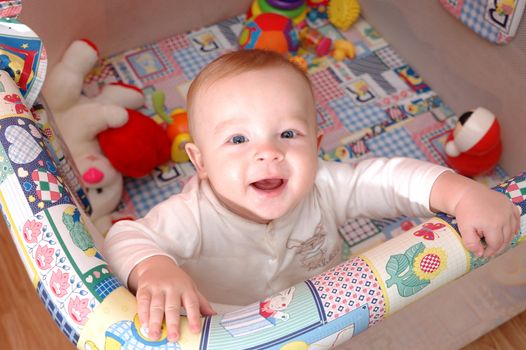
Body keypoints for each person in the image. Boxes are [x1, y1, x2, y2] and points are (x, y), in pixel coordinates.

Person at [104, 49, 520, 343]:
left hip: (324, 318)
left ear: (316, 144)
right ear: (201, 162)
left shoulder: (324, 186)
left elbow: (389, 179)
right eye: (237, 138)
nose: (267, 151)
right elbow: (125, 237)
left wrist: (461, 193)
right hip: (226, 329)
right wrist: (155, 269)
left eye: (288, 134)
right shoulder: (191, 214)